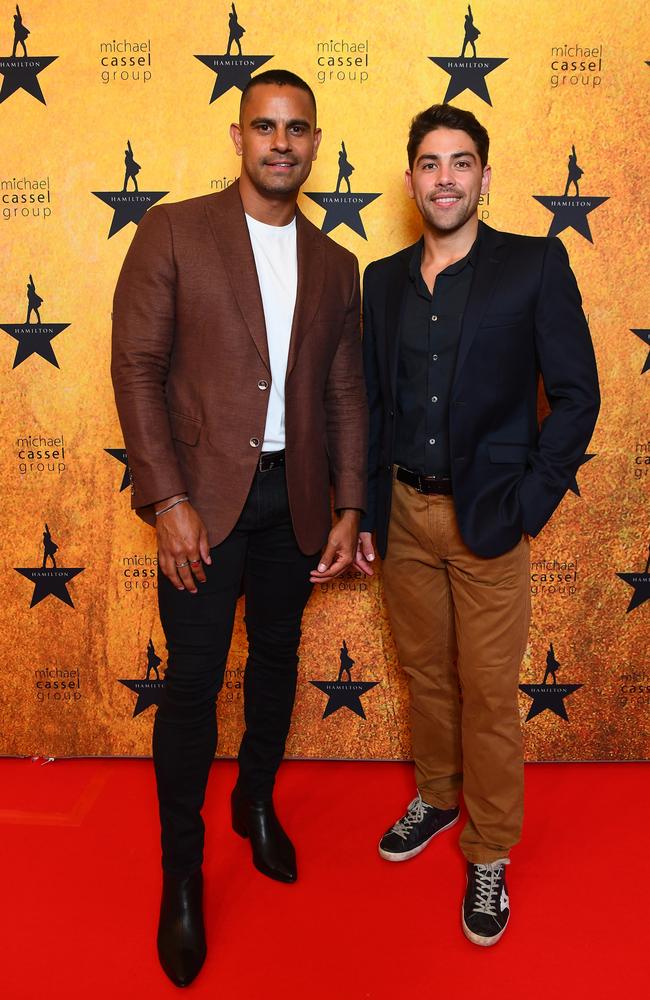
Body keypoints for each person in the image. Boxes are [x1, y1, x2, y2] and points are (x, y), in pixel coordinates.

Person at [111, 69, 367, 987]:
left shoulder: (337, 265)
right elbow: (137, 368)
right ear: (238, 135)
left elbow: (342, 393)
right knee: (190, 687)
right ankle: (182, 876)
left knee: (276, 661)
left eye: (297, 129)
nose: (281, 143)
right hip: (202, 508)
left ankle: (255, 803)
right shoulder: (173, 230)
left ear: (315, 140)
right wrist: (168, 499)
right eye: (265, 126)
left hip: (292, 504)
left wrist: (347, 505)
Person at [355, 103, 599, 947]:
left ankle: (489, 848)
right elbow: (373, 403)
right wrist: (364, 507)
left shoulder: (533, 266)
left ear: (484, 177)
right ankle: (438, 792)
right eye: (430, 162)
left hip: (490, 518)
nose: (445, 177)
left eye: (462, 162)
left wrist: (531, 502)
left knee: (490, 693)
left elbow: (577, 397)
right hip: (403, 513)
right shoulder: (380, 279)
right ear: (412, 176)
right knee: (425, 673)